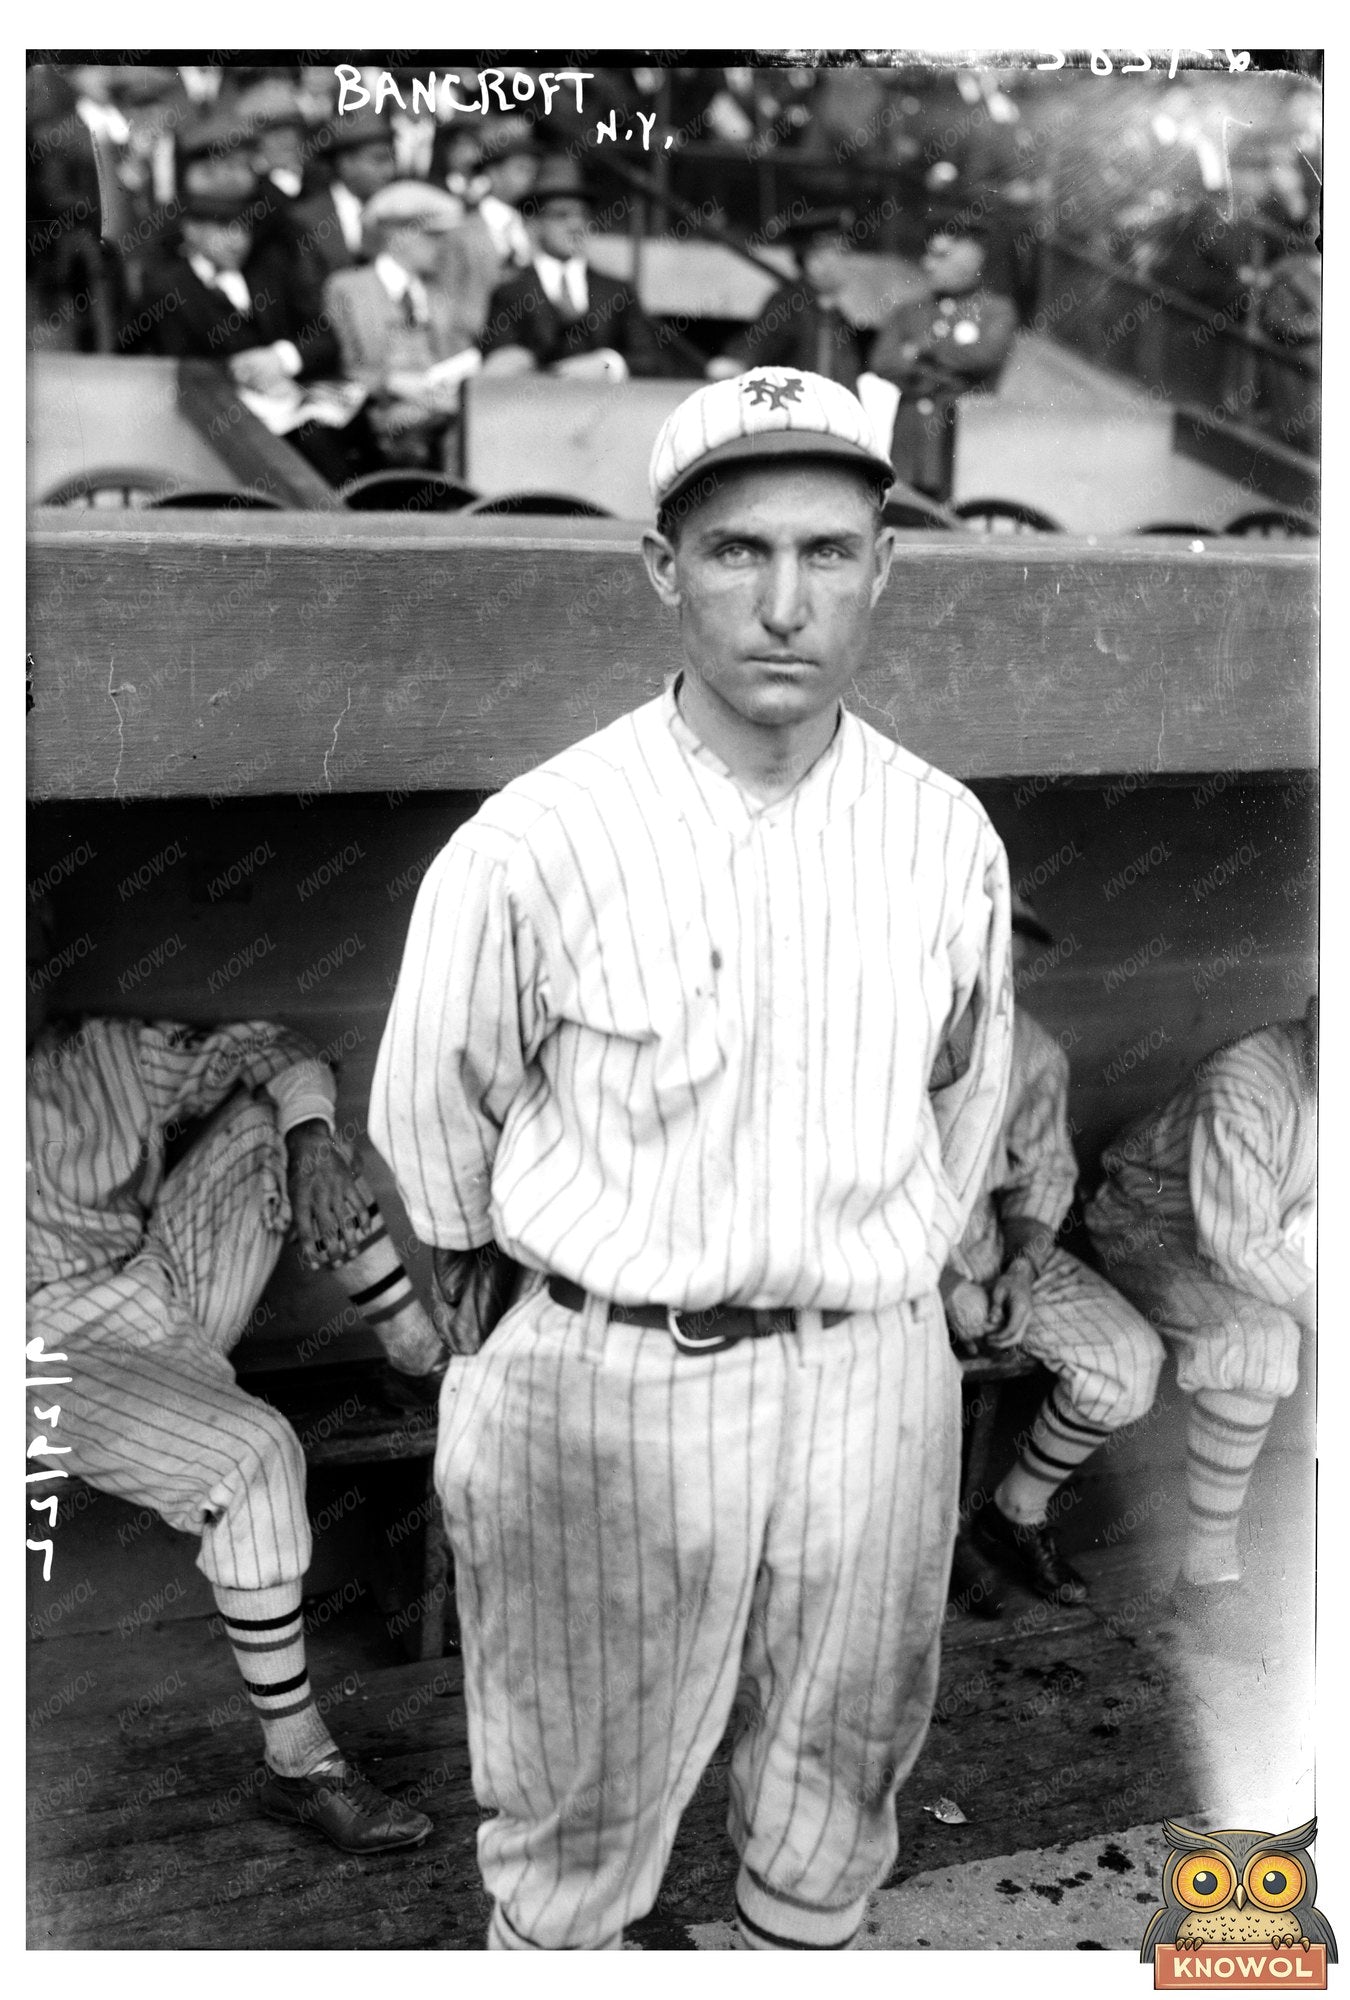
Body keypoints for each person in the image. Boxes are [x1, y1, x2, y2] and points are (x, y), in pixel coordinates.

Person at [371, 366, 1014, 1950]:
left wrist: (887, 1280)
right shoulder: (536, 837)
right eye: (735, 552)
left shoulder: (944, 834)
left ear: (881, 568)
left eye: (825, 552)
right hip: (616, 1383)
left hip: (873, 1379)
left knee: (832, 1810)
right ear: (663, 569)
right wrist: (533, 1327)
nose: (783, 602)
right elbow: (430, 1139)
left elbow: (964, 1106)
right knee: (574, 1836)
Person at [25, 909, 444, 1853]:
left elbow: (279, 1048)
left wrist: (310, 1144)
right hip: (44, 1354)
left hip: (154, 1287)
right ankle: (299, 1766)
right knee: (255, 1451)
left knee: (273, 1121)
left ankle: (422, 1361)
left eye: (29, 953)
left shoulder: (99, 1054)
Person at [943, 894, 1165, 1611]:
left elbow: (1040, 1173)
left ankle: (1013, 1512)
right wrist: (942, 1281)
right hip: (874, 1266)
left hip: (985, 1246)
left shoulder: (1030, 1048)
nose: (988, 975)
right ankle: (925, 1549)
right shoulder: (859, 1038)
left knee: (1129, 1358)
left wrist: (1021, 1268)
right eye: (974, 952)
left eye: (1007, 961)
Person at [1086, 1001, 1316, 1639]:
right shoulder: (1245, 1079)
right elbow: (1238, 1248)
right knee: (1259, 1339)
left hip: (1252, 1219)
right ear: (1317, 1012)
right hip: (1153, 1227)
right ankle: (1206, 1579)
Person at [324, 179, 481, 470]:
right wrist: (391, 382)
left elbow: (459, 355)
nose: (442, 246)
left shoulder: (440, 295)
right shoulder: (348, 288)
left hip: (440, 413)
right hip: (372, 416)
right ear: (397, 235)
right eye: (431, 236)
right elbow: (338, 365)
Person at [479, 153, 666, 381]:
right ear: (533, 224)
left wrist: (608, 365)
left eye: (582, 215)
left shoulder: (616, 291)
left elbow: (651, 360)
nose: (575, 224)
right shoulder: (510, 291)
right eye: (561, 215)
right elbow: (495, 369)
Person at [870, 223, 1017, 501]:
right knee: (906, 511)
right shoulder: (910, 312)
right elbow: (884, 361)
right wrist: (948, 368)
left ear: (969, 262)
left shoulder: (995, 311)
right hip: (908, 440)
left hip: (962, 441)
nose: (928, 264)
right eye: (929, 255)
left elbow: (985, 357)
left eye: (941, 256)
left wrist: (921, 351)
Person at [708, 208, 867, 390]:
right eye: (841, 254)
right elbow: (757, 346)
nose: (849, 263)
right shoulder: (789, 305)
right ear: (814, 264)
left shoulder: (835, 315)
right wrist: (736, 363)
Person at [436, 117, 538, 345]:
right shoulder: (461, 230)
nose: (529, 178)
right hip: (469, 340)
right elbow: (445, 295)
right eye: (521, 169)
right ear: (493, 173)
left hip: (524, 344)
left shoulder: (532, 230)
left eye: (533, 171)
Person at [287, 102, 397, 290]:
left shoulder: (401, 214)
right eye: (378, 160)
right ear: (346, 163)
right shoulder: (304, 219)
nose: (389, 170)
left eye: (392, 159)